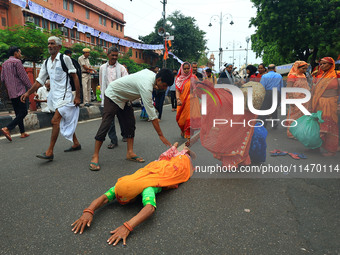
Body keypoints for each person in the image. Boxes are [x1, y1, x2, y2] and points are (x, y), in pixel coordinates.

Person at [72, 142, 195, 246]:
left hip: (164, 171)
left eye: (127, 201)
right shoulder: (123, 184)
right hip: (154, 167)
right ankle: (174, 148)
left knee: (180, 162)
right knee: (163, 159)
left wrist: (128, 226)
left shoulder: (147, 188)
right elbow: (104, 198)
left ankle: (183, 150)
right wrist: (88, 211)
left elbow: (150, 208)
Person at [89, 68, 174, 171]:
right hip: (113, 94)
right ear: (159, 79)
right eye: (164, 85)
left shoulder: (151, 75)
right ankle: (95, 156)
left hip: (124, 98)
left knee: (130, 123)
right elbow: (152, 114)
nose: (165, 89)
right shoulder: (146, 86)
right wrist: (161, 135)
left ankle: (130, 153)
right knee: (106, 123)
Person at [21, 36, 81, 160]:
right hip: (54, 97)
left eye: (52, 43)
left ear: (59, 47)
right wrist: (28, 93)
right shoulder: (47, 62)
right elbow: (39, 81)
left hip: (65, 96)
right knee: (65, 120)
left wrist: (78, 97)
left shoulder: (65, 59)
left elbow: (75, 77)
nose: (49, 46)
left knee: (55, 121)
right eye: (48, 44)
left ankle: (50, 152)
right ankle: (76, 143)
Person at [199, 81, 265, 167]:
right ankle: (242, 160)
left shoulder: (217, 94)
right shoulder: (221, 92)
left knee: (230, 139)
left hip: (236, 116)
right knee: (240, 137)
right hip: (242, 114)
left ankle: (230, 163)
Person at [99, 46, 128, 149]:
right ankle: (113, 140)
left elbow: (126, 82)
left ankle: (125, 135)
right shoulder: (102, 68)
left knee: (122, 118)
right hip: (108, 97)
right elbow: (102, 82)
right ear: (108, 55)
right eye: (113, 55)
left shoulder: (121, 68)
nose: (115, 57)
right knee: (109, 121)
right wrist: (102, 97)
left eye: (116, 55)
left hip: (120, 97)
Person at [1, 46, 32, 141]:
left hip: (11, 92)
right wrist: (31, 88)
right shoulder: (17, 62)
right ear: (15, 53)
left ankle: (22, 132)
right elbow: (23, 77)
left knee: (18, 112)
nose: (20, 55)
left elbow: (2, 79)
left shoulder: (4, 64)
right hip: (20, 91)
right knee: (24, 112)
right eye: (19, 53)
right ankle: (8, 128)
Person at [312, 57, 339, 156]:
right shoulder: (321, 75)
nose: (322, 66)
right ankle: (319, 146)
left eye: (324, 64)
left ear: (331, 65)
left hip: (331, 103)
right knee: (321, 126)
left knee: (331, 126)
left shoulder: (337, 74)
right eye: (321, 64)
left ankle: (331, 150)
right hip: (320, 104)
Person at [175, 62, 200, 143]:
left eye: (188, 68)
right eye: (184, 69)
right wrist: (178, 99)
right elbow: (177, 90)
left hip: (192, 101)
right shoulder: (179, 79)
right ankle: (183, 130)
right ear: (182, 69)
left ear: (190, 69)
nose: (186, 70)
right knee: (180, 120)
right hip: (182, 102)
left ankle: (188, 136)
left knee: (189, 119)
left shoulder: (194, 77)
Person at [286, 61, 311, 138]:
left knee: (302, 117)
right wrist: (291, 99)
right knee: (294, 117)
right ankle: (292, 133)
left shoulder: (303, 75)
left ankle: (299, 132)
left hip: (304, 99)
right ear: (298, 67)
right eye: (303, 68)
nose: (304, 70)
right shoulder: (292, 76)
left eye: (306, 69)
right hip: (295, 100)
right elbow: (288, 88)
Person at [259, 64, 284, 128]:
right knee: (274, 109)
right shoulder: (279, 76)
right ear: (275, 69)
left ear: (267, 69)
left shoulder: (264, 76)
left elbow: (262, 87)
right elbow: (282, 87)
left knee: (265, 108)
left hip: (267, 93)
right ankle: (274, 124)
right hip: (276, 93)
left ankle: (264, 124)